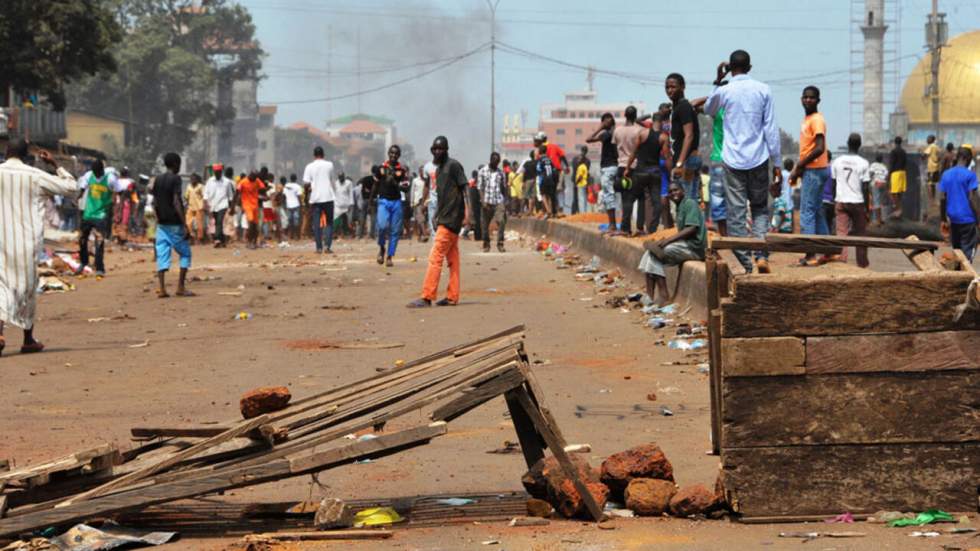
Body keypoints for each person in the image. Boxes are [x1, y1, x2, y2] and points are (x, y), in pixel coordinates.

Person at [703, 49, 781, 273]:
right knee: (759, 209)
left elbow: (709, 108)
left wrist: (718, 81)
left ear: (730, 68)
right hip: (759, 158)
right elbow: (771, 129)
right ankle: (762, 255)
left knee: (736, 213)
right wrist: (776, 163)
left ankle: (746, 263)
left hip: (733, 160)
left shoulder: (725, 91)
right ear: (749, 67)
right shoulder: (763, 90)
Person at [0, 140, 77, 356]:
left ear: (7, 152)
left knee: (2, 285)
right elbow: (72, 188)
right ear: (26, 156)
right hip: (24, 241)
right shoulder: (35, 175)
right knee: (26, 287)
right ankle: (27, 338)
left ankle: (6, 334)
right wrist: (55, 165)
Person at [408, 136, 467, 308]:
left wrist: (468, 214)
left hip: (451, 219)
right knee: (453, 258)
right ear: (432, 150)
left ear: (446, 150)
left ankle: (427, 296)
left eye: (441, 149)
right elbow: (442, 196)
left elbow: (465, 188)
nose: (438, 151)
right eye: (435, 149)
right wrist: (435, 216)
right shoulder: (439, 171)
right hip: (445, 216)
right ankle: (452, 296)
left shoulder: (454, 166)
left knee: (435, 256)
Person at [637, 181, 706, 306]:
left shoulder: (689, 203)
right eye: (670, 192)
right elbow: (668, 224)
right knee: (651, 253)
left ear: (683, 191)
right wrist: (665, 205)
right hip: (685, 245)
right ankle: (650, 296)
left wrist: (668, 240)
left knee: (655, 253)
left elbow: (691, 228)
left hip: (694, 248)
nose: (673, 193)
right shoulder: (678, 207)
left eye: (676, 190)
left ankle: (663, 295)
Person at [788, 85, 830, 266]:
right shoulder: (808, 119)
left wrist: (800, 165)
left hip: (814, 169)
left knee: (806, 212)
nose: (808, 100)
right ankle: (830, 250)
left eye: (812, 98)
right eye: (805, 97)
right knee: (817, 211)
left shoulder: (817, 120)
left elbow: (819, 148)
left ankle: (810, 255)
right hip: (813, 169)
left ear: (818, 100)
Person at [152, 152, 194, 298]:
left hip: (162, 224)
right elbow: (176, 201)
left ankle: (162, 289)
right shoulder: (176, 179)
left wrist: (158, 218)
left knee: (162, 255)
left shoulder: (157, 179)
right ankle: (180, 287)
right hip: (174, 223)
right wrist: (185, 224)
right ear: (176, 164)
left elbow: (154, 202)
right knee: (185, 253)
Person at [832, 134, 872, 268]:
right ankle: (862, 263)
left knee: (841, 232)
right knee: (861, 234)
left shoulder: (837, 161)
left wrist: (834, 199)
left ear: (847, 143)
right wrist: (867, 208)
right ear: (859, 145)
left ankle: (842, 260)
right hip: (857, 201)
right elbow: (866, 187)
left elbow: (833, 183)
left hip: (841, 200)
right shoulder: (864, 163)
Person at [625, 113, 669, 234]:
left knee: (631, 199)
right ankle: (652, 229)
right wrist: (671, 173)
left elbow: (634, 153)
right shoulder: (663, 137)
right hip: (654, 173)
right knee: (657, 203)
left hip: (641, 172)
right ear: (662, 123)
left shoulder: (642, 133)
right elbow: (667, 157)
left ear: (652, 120)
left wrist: (628, 168)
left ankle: (626, 228)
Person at [938, 146, 980, 262]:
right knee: (967, 255)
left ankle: (958, 278)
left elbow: (942, 198)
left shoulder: (946, 174)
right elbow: (972, 198)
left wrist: (943, 219)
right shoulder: (970, 175)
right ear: (966, 158)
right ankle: (965, 278)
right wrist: (979, 217)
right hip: (968, 220)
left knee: (957, 252)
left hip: (953, 219)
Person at [665, 73, 702, 203]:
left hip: (687, 161)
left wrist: (680, 164)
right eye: (667, 87)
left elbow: (689, 135)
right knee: (687, 199)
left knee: (688, 200)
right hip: (686, 160)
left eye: (673, 87)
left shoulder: (684, 107)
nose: (670, 90)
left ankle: (691, 224)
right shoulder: (677, 108)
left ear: (682, 87)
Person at [77, 159, 118, 277]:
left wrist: (112, 207)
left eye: (98, 172)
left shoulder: (110, 178)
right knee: (82, 239)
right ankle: (84, 262)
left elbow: (115, 192)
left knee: (99, 241)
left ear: (102, 170)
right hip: (88, 214)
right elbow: (82, 189)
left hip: (101, 215)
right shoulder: (89, 175)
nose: (96, 174)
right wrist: (78, 197)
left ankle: (100, 268)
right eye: (95, 172)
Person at [374, 144, 410, 266]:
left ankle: (389, 256)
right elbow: (375, 184)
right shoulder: (381, 168)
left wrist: (397, 184)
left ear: (399, 155)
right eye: (391, 153)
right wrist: (371, 200)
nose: (393, 155)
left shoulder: (402, 170)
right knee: (382, 227)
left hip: (396, 202)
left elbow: (406, 188)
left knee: (395, 231)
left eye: (396, 153)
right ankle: (382, 248)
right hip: (383, 201)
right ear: (388, 154)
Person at [612, 106, 644, 234]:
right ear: (635, 116)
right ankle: (640, 227)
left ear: (625, 115)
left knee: (626, 198)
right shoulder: (640, 130)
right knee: (641, 197)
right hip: (636, 167)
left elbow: (615, 150)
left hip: (622, 167)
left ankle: (626, 228)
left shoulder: (617, 131)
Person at [303, 146, 337, 254]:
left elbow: (306, 184)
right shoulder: (329, 165)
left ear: (314, 155)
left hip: (315, 198)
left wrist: (306, 197)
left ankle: (318, 248)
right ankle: (327, 246)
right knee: (329, 223)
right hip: (328, 196)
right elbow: (331, 179)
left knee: (316, 224)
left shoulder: (309, 167)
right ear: (323, 154)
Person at [478, 152, 508, 253]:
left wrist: (505, 202)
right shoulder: (482, 171)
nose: (496, 164)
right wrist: (483, 201)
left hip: (498, 201)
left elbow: (503, 188)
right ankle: (486, 244)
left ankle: (500, 243)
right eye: (495, 161)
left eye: (498, 162)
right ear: (491, 160)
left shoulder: (501, 173)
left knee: (501, 221)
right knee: (484, 225)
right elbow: (480, 187)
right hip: (486, 201)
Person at [533, 132, 568, 218]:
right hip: (556, 171)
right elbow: (562, 156)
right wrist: (566, 166)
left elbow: (537, 163)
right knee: (555, 191)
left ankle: (549, 211)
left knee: (546, 193)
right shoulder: (554, 146)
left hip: (546, 174)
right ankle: (556, 210)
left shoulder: (540, 150)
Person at [205, 164, 235, 247]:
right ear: (214, 172)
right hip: (212, 205)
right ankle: (223, 241)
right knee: (218, 223)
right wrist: (206, 206)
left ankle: (217, 239)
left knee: (219, 221)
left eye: (219, 172)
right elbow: (206, 195)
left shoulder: (227, 182)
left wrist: (232, 207)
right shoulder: (209, 181)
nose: (217, 173)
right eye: (216, 172)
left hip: (223, 205)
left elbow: (230, 196)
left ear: (221, 172)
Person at [237, 171, 266, 249]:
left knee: (255, 225)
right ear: (250, 176)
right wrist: (234, 206)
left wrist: (261, 195)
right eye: (253, 178)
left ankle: (254, 241)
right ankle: (249, 242)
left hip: (255, 205)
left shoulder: (257, 180)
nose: (254, 180)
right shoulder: (243, 182)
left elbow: (263, 188)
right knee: (250, 223)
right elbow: (237, 193)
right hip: (247, 205)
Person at [184, 173, 206, 244]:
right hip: (190, 207)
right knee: (188, 223)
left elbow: (204, 196)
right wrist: (186, 204)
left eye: (194, 179)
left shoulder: (200, 187)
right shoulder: (188, 187)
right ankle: (191, 237)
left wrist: (204, 205)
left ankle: (200, 238)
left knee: (199, 224)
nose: (193, 180)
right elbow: (186, 196)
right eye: (191, 179)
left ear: (197, 180)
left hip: (199, 207)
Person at [357, 167, 379, 239]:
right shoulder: (378, 180)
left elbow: (363, 190)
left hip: (365, 200)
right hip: (373, 201)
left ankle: (360, 235)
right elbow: (377, 191)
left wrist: (367, 193)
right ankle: (372, 235)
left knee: (362, 218)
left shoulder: (366, 179)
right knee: (373, 218)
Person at [889, 136, 907, 218]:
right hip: (903, 172)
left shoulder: (893, 151)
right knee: (899, 193)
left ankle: (898, 209)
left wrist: (889, 174)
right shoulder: (903, 151)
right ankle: (899, 209)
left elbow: (891, 164)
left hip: (895, 173)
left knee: (893, 192)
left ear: (894, 142)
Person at [868, 154, 889, 225]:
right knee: (881, 202)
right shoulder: (884, 166)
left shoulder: (873, 165)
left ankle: (877, 220)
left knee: (876, 202)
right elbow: (886, 175)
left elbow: (870, 174)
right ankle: (882, 218)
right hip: (883, 184)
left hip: (876, 183)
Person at [410, 166, 429, 242]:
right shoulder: (415, 180)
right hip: (417, 202)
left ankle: (420, 236)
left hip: (426, 202)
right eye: (421, 171)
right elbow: (412, 191)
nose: (422, 173)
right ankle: (424, 234)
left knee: (422, 219)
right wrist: (411, 202)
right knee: (421, 218)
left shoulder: (427, 181)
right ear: (419, 171)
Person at [282, 174, 304, 240]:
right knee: (296, 221)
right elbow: (299, 196)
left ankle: (291, 235)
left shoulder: (286, 186)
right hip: (296, 205)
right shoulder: (298, 187)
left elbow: (283, 196)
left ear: (290, 178)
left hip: (288, 205)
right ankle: (297, 236)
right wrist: (301, 205)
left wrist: (284, 205)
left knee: (290, 221)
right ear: (296, 179)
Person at [922, 134, 941, 202]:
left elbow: (924, 155)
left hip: (931, 167)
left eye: (928, 139)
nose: (927, 140)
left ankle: (931, 199)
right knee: (933, 184)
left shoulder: (930, 146)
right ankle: (934, 198)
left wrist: (922, 157)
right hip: (936, 167)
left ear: (931, 140)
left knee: (929, 184)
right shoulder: (936, 146)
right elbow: (940, 156)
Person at [573, 146, 590, 214]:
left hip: (579, 182)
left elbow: (579, 174)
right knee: (581, 197)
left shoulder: (581, 162)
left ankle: (581, 212)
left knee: (580, 197)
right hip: (583, 181)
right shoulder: (586, 161)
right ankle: (579, 211)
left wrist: (576, 182)